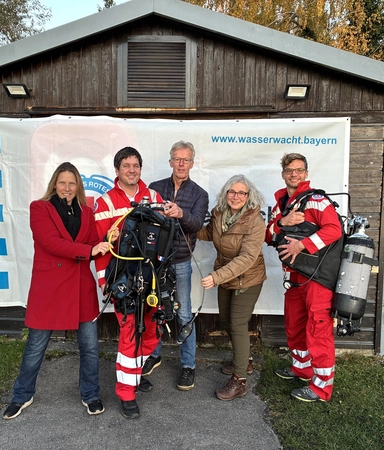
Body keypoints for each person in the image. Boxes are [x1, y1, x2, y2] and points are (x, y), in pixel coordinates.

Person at [3, 162, 113, 420]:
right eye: (62, 182)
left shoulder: (86, 212)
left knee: (89, 346)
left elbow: (89, 244)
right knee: (35, 346)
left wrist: (106, 240)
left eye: (71, 183)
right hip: (49, 288)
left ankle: (91, 394)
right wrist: (89, 250)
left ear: (78, 186)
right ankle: (22, 395)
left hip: (80, 287)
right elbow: (51, 243)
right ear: (54, 183)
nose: (67, 188)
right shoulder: (39, 208)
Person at [93, 146, 164, 419]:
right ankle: (126, 393)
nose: (132, 170)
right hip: (124, 281)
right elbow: (100, 248)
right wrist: (105, 282)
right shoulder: (105, 202)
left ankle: (133, 374)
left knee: (152, 333)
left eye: (136, 165)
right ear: (117, 170)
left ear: (140, 169)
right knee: (130, 336)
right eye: (126, 166)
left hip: (154, 282)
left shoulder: (154, 197)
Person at [265, 153, 343, 403]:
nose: (294, 174)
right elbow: (268, 235)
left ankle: (321, 388)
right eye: (289, 170)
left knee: (318, 331)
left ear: (306, 173)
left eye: (299, 170)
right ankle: (301, 369)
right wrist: (282, 222)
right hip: (294, 278)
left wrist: (302, 245)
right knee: (294, 326)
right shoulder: (282, 204)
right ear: (283, 174)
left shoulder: (316, 200)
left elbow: (334, 230)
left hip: (317, 279)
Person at [142, 141, 209, 391]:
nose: (181, 164)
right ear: (170, 162)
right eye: (177, 159)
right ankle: (154, 354)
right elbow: (144, 218)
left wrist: (180, 213)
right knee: (156, 308)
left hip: (181, 261)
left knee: (183, 313)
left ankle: (188, 365)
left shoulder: (200, 194)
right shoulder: (155, 188)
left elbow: (197, 225)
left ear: (192, 163)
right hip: (156, 260)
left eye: (186, 160)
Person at [197, 174, 267, 401]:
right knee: (226, 319)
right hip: (226, 275)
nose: (236, 196)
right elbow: (208, 233)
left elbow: (247, 257)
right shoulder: (219, 214)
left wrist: (216, 277)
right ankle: (243, 361)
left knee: (237, 323)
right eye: (232, 192)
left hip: (247, 278)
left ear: (249, 196)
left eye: (241, 193)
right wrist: (184, 223)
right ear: (226, 194)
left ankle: (240, 381)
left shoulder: (255, 222)